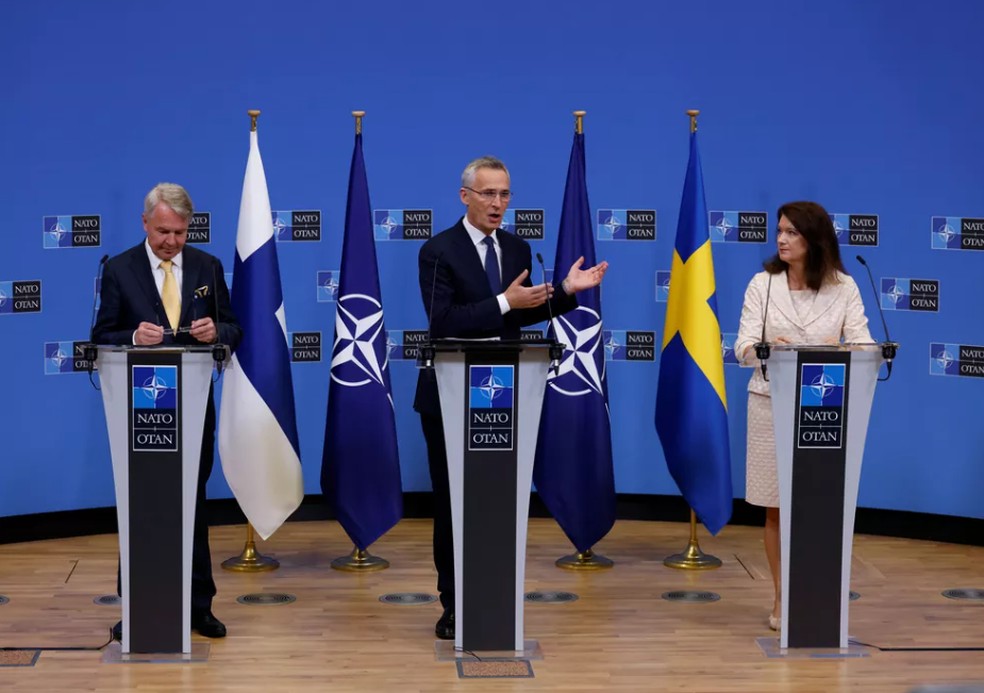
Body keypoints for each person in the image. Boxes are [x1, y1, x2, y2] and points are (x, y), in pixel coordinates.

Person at [414, 156, 609, 640]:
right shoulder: (438, 250)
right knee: (453, 502)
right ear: (465, 196)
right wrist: (505, 301)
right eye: (488, 194)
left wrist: (565, 290)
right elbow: (445, 321)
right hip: (449, 395)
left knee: (498, 498)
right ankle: (453, 603)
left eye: (504, 194)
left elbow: (517, 318)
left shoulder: (518, 247)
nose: (497, 203)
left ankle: (495, 592)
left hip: (502, 395)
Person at [93, 182, 242, 640]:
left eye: (179, 232)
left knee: (191, 505)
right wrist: (134, 338)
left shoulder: (207, 266)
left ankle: (199, 606)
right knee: (140, 503)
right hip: (139, 410)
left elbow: (233, 329)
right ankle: (135, 604)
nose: (171, 242)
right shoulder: (119, 268)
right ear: (144, 223)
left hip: (194, 404)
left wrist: (215, 329)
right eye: (163, 232)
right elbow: (101, 335)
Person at [734, 200, 872, 632]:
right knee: (776, 510)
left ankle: (816, 595)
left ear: (815, 239)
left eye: (792, 232)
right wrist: (768, 348)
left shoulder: (844, 287)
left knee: (818, 507)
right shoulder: (763, 284)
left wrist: (846, 352)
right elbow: (741, 349)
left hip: (822, 408)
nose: (781, 239)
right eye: (780, 231)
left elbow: (865, 346)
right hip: (770, 404)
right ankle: (781, 596)